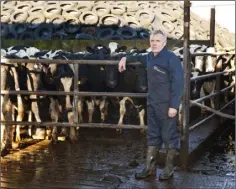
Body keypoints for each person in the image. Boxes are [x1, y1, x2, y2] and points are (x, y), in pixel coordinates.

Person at [118, 30, 184, 180]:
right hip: (152, 103)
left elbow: (179, 83)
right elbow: (137, 57)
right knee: (152, 136)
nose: (154, 43)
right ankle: (149, 168)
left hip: (167, 105)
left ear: (164, 42)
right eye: (152, 41)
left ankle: (169, 169)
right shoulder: (148, 57)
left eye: (158, 41)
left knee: (168, 136)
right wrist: (124, 57)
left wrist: (174, 106)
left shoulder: (171, 59)